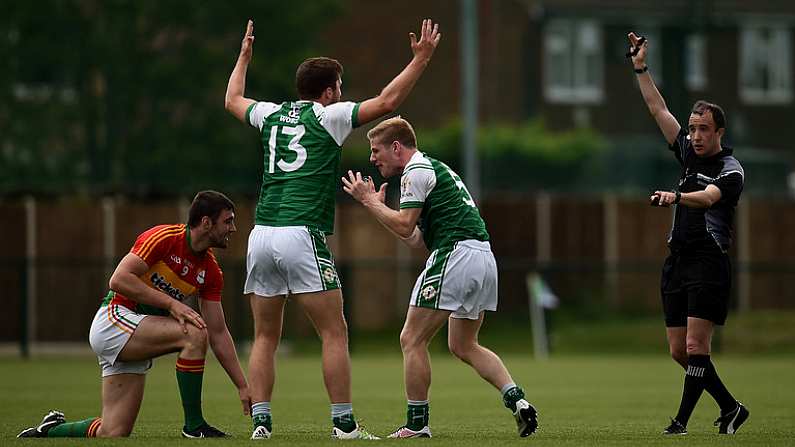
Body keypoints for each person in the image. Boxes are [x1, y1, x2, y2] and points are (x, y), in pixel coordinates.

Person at [224, 19, 441, 440]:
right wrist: (421, 59)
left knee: (265, 334)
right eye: (339, 86)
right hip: (301, 233)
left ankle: (261, 424)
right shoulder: (331, 116)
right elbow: (389, 100)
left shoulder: (269, 114)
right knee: (334, 330)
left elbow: (232, 98)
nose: (341, 93)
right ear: (328, 91)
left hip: (262, 232)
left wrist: (244, 56)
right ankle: (344, 425)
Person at [341, 117, 538, 438]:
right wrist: (375, 208)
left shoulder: (415, 171)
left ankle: (417, 424)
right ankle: (518, 400)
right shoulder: (432, 168)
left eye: (376, 151)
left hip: (456, 254)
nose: (371, 159)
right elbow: (417, 238)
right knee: (463, 344)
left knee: (411, 338)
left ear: (396, 147)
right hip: (483, 257)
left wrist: (365, 200)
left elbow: (405, 225)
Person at [17, 190, 250, 439]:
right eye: (228, 221)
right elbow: (118, 279)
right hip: (114, 321)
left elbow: (218, 331)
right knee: (194, 333)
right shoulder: (165, 238)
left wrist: (242, 385)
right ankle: (194, 426)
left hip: (136, 334)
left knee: (114, 431)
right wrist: (173, 304)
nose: (233, 228)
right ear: (206, 222)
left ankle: (50, 430)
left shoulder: (211, 271)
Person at [627, 32, 749, 435]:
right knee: (680, 351)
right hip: (677, 261)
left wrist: (676, 196)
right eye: (692, 128)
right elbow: (656, 107)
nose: (695, 135)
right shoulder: (685, 152)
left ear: (719, 133)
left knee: (697, 348)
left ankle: (680, 422)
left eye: (703, 129)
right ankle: (730, 406)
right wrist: (641, 67)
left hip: (708, 262)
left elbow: (709, 197)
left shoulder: (730, 170)